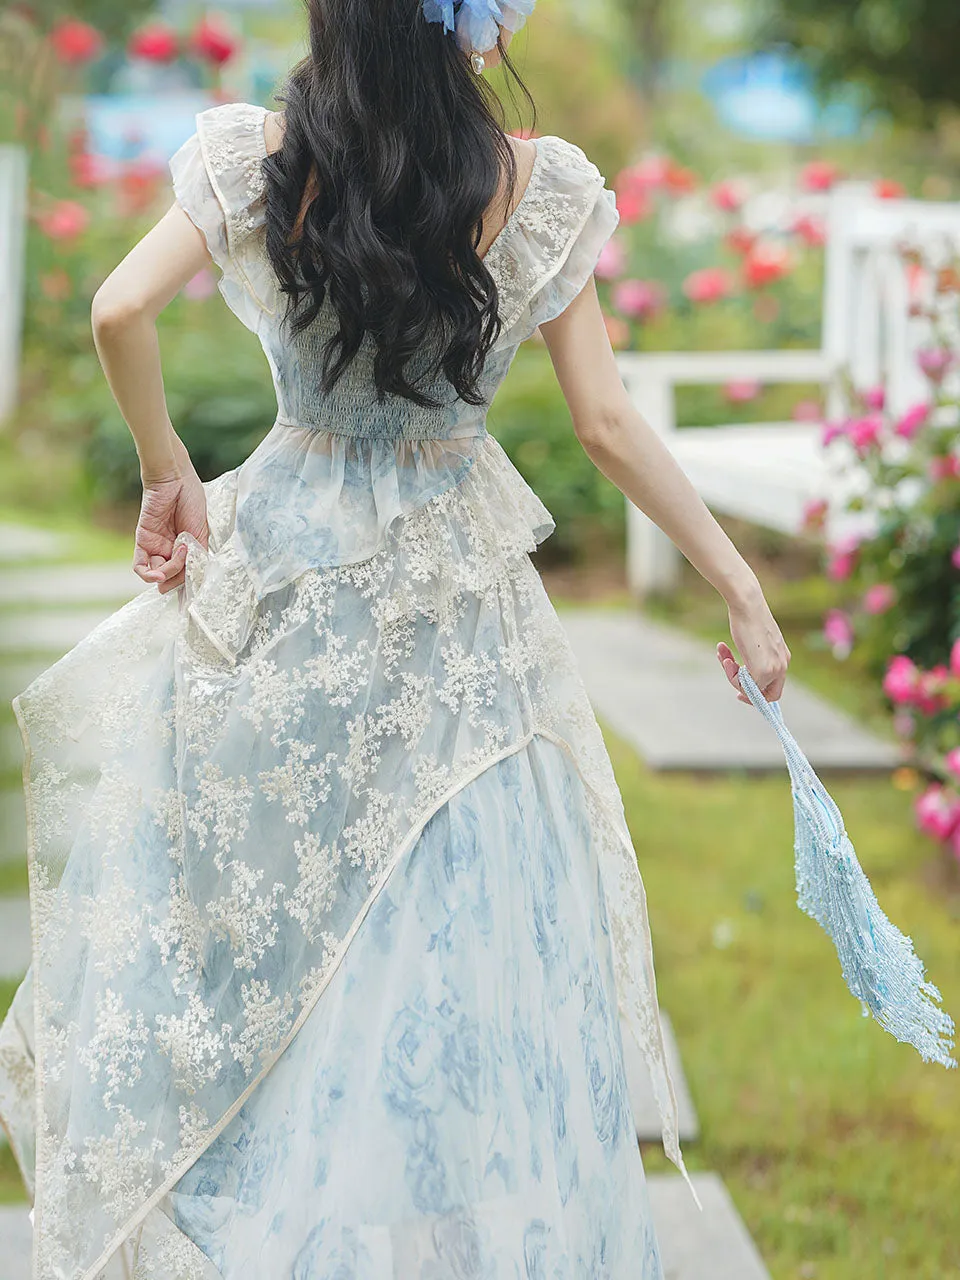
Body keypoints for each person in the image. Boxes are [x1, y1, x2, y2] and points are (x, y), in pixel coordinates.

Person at [0, 0, 790, 1275]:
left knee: (272, 945)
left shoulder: (263, 157)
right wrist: (742, 589)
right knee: (451, 949)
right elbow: (606, 424)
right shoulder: (530, 183)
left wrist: (167, 470)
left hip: (283, 584)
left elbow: (114, 311)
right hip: (455, 613)